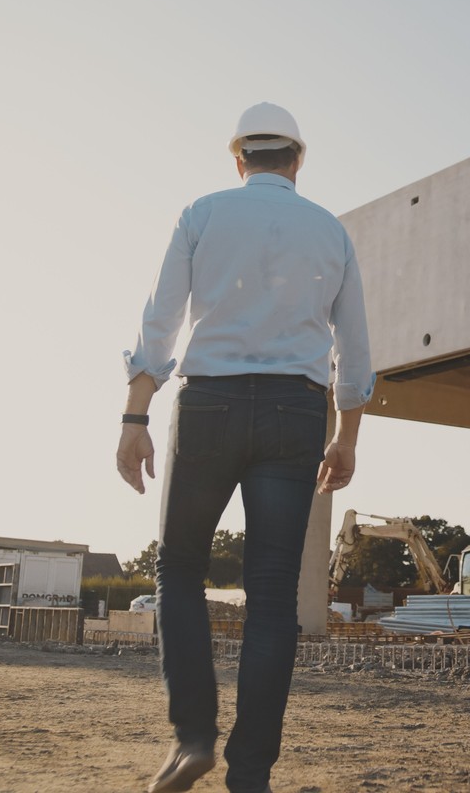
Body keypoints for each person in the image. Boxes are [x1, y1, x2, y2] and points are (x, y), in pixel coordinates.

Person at [116, 102, 372, 793]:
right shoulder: (331, 231)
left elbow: (160, 321)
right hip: (296, 412)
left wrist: (134, 416)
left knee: (179, 572)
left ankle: (193, 737)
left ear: (238, 159)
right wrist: (344, 439)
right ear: (297, 160)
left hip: (209, 405)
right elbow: (355, 349)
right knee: (271, 599)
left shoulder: (200, 213)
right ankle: (251, 772)